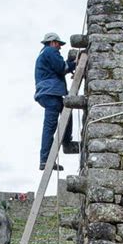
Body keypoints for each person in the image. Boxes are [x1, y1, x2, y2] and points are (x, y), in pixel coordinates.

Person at [34, 32, 79, 171]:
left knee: (67, 111)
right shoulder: (50, 51)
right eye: (58, 44)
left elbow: (58, 70)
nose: (59, 47)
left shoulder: (43, 54)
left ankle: (64, 144)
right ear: (52, 42)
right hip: (51, 92)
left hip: (47, 92)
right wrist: (75, 63)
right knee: (50, 126)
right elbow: (62, 67)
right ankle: (49, 156)